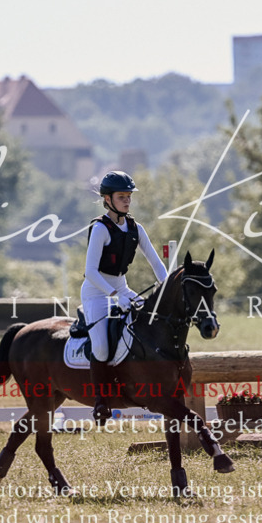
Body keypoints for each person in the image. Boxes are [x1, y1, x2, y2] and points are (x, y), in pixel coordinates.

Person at [82, 171, 169, 424]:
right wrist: (113, 295)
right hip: (96, 292)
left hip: (122, 289)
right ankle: (101, 402)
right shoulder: (100, 228)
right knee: (100, 346)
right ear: (107, 199)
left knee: (150, 326)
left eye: (129, 196)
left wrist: (167, 286)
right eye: (122, 196)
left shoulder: (135, 228)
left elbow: (156, 263)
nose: (127, 201)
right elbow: (90, 272)